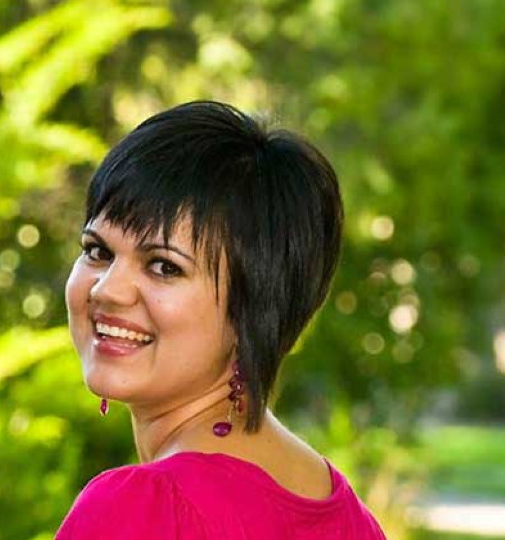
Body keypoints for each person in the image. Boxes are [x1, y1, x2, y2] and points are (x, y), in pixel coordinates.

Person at [54, 101, 386, 538]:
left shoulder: (142, 509)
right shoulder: (349, 520)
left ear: (254, 306)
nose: (106, 290)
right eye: (98, 251)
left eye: (164, 266)